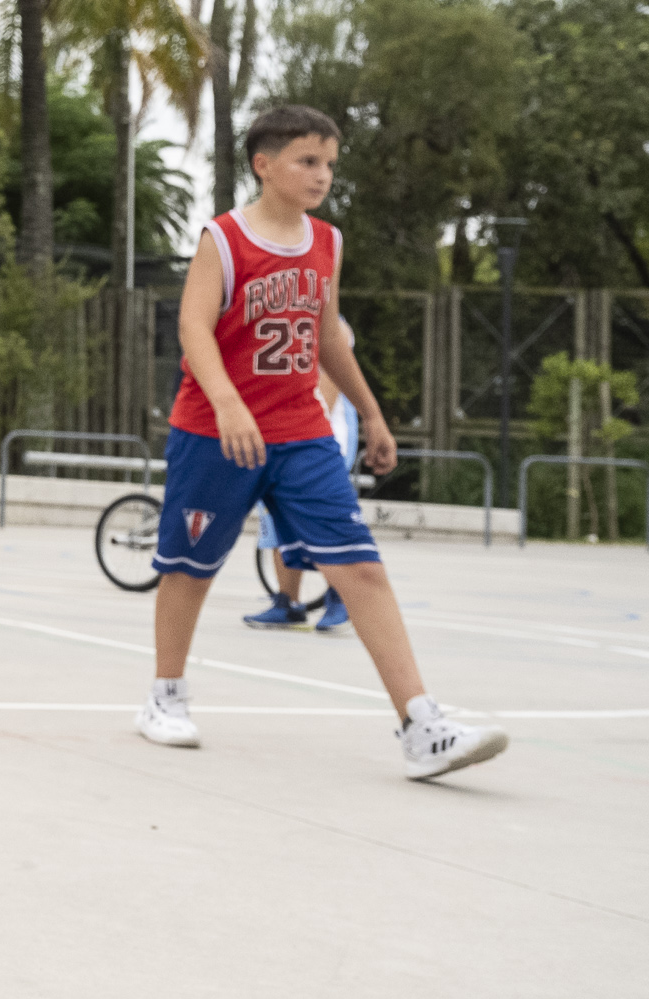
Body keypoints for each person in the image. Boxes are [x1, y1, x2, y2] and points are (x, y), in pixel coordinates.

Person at [137, 104, 504, 778]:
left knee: (359, 565)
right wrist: (227, 405)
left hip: (301, 432)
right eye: (308, 161)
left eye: (330, 164)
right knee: (189, 568)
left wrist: (370, 413)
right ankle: (165, 697)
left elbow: (328, 334)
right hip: (215, 431)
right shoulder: (223, 239)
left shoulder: (327, 244)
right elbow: (193, 328)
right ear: (264, 165)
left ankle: (422, 725)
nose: (322, 175)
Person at [243, 325, 362, 632]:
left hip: (321, 436)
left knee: (319, 517)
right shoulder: (272, 315)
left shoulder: (331, 325)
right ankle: (288, 603)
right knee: (274, 515)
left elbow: (328, 394)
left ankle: (340, 596)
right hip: (281, 432)